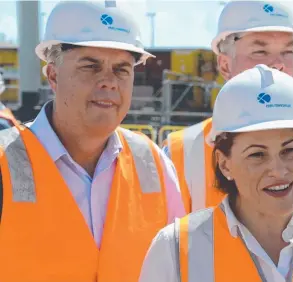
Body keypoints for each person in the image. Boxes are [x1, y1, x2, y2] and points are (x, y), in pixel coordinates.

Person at [139, 64, 293, 282]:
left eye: (289, 151)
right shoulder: (174, 249)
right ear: (225, 164)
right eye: (257, 155)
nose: (278, 170)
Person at [0, 1, 185, 281]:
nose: (109, 82)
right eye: (90, 66)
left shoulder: (153, 164)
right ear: (53, 75)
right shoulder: (5, 161)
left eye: (122, 69)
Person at [165, 0, 293, 214]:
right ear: (225, 65)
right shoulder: (181, 153)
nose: (278, 64)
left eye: (288, 51)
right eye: (260, 52)